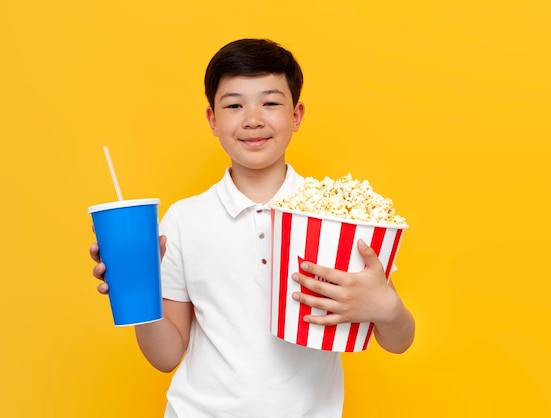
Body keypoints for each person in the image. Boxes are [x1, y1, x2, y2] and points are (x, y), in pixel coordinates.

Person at [90, 38, 415, 417]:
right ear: (213, 119)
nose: (253, 118)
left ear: (297, 114)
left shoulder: (339, 216)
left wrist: (387, 308)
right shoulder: (183, 220)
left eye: (271, 102)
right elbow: (165, 357)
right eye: (234, 104)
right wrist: (140, 289)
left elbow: (398, 341)